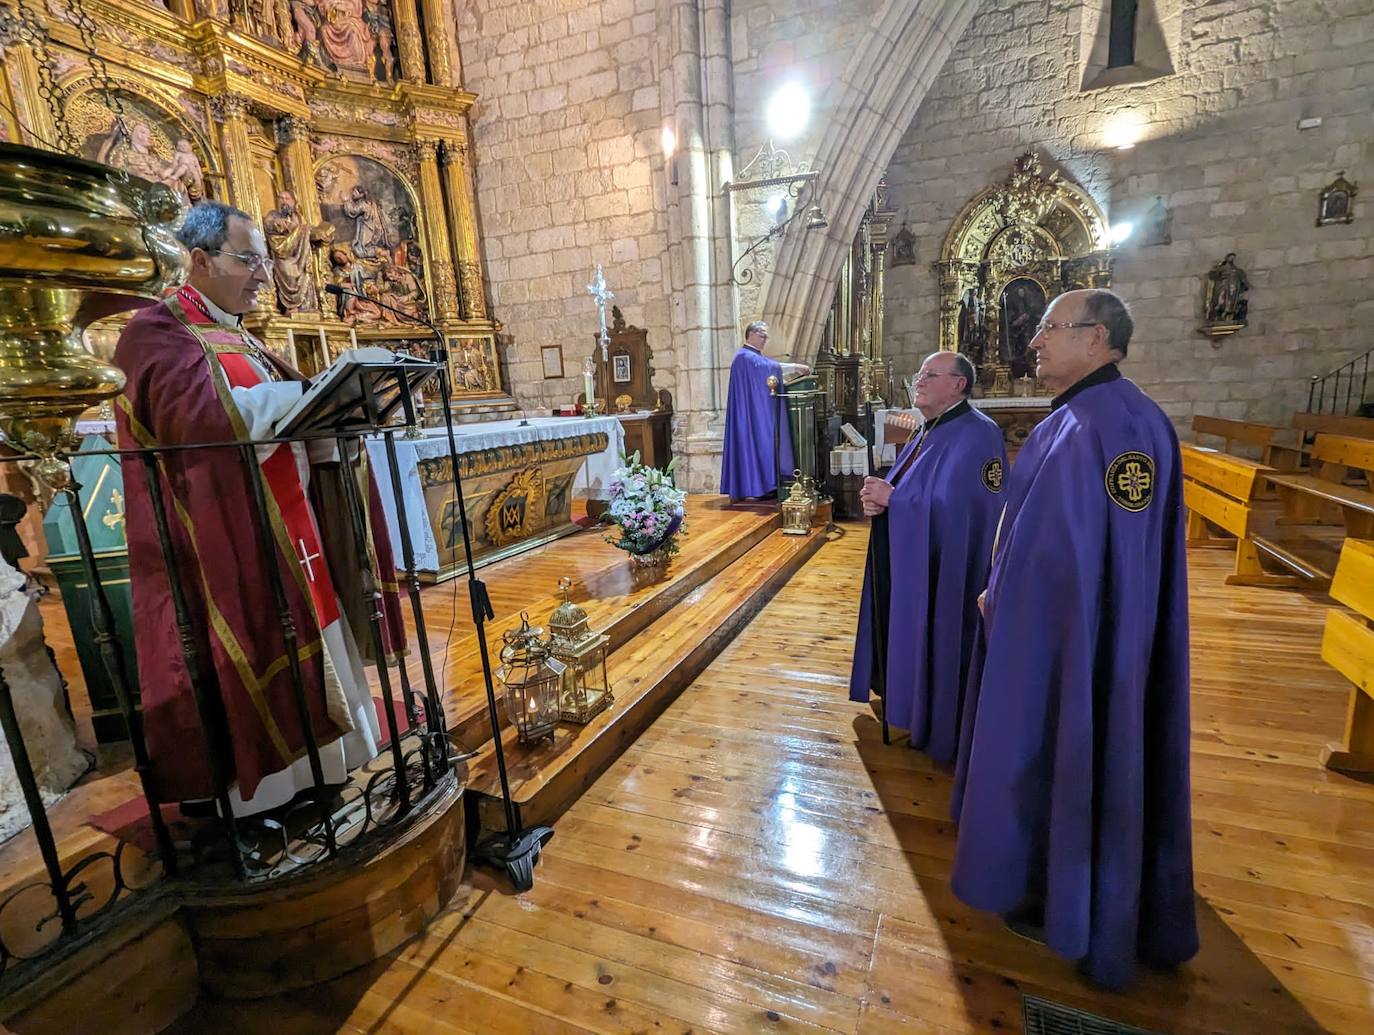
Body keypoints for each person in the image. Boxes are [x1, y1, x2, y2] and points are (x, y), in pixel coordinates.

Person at [114, 201, 406, 817]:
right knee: (259, 637)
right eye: (248, 259)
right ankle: (266, 790)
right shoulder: (156, 330)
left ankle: (327, 762)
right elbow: (196, 421)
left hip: (290, 521)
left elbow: (279, 410)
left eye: (265, 260)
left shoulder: (237, 332)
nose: (264, 275)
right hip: (229, 534)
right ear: (198, 259)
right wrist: (302, 397)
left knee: (312, 626)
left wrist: (332, 418)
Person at [950, 288, 1197, 989]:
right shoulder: (1111, 418)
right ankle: (1089, 890)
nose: (1034, 343)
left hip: (1064, 643)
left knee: (1061, 747)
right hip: (1091, 634)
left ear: (1098, 339)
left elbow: (1058, 556)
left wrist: (1001, 599)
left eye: (1050, 329)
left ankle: (1070, 892)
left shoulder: (1096, 425)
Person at [848, 351, 1005, 766]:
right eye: (919, 373)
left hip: (950, 569)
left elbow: (969, 511)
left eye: (931, 375)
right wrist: (881, 497)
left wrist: (894, 499)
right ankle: (906, 699)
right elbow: (919, 489)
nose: (919, 381)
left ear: (959, 384)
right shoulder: (928, 430)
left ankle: (935, 713)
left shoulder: (979, 434)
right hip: (915, 557)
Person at [720, 321, 808, 500]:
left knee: (766, 441)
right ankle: (756, 487)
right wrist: (795, 367)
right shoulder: (744, 357)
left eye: (766, 336)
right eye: (762, 335)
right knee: (760, 441)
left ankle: (765, 485)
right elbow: (768, 367)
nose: (765, 340)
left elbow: (766, 366)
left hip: (753, 412)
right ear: (750, 334)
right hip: (749, 416)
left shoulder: (752, 358)